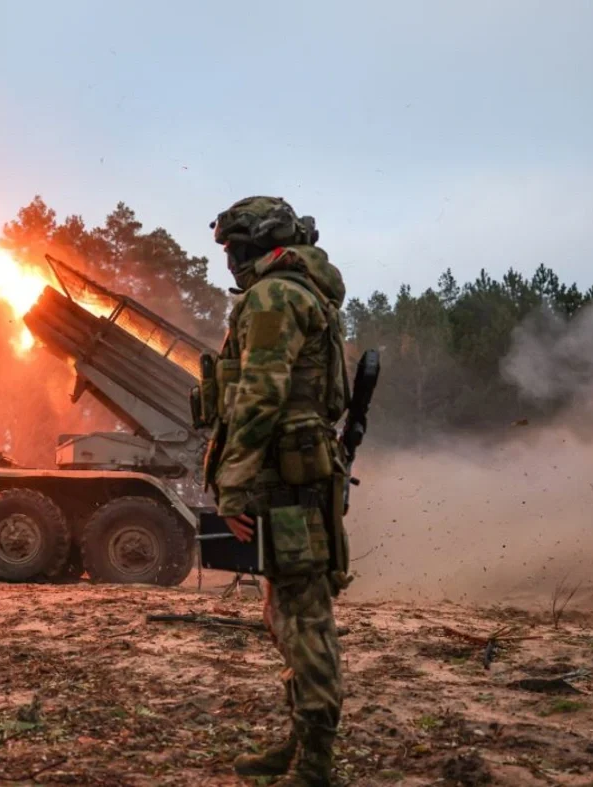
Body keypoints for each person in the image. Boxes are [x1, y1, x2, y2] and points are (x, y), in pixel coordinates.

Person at [202, 197, 351, 786]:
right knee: (285, 613)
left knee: (303, 620)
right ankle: (299, 745)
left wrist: (232, 484)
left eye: (233, 248)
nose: (229, 260)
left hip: (285, 483)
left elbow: (260, 395)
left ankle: (315, 766)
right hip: (291, 478)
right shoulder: (295, 291)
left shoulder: (274, 296)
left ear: (255, 245)